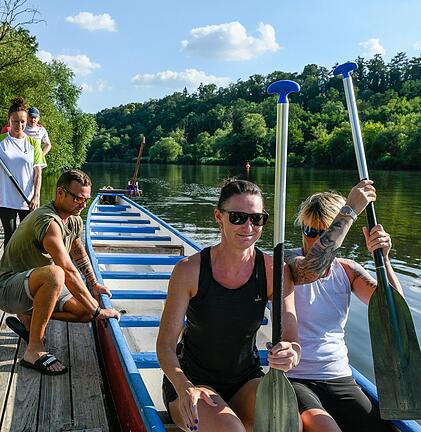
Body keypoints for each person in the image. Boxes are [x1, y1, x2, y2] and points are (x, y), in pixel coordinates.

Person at [157, 179, 301, 432]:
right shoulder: (189, 270)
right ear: (218, 217)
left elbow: (293, 338)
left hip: (246, 379)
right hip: (191, 380)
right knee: (232, 430)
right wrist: (184, 386)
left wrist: (292, 353)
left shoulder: (274, 272)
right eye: (237, 217)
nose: (248, 226)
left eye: (257, 219)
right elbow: (165, 345)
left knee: (290, 425)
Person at [0, 169, 120, 375]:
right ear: (60, 192)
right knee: (56, 274)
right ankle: (34, 350)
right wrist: (98, 311)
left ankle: (30, 315)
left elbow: (78, 252)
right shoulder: (47, 220)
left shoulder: (74, 219)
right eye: (77, 198)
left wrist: (93, 284)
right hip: (6, 289)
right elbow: (67, 269)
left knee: (84, 312)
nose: (83, 204)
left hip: (33, 286)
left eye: (86, 200)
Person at [284, 181, 390, 432]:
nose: (314, 240)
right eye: (309, 231)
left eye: (324, 232)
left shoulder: (348, 270)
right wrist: (350, 209)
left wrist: (383, 259)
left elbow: (391, 309)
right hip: (296, 377)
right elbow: (312, 269)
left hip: (339, 376)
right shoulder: (285, 261)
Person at [0, 97, 46, 247]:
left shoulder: (33, 143)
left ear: (26, 122)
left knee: (28, 238)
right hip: (5, 198)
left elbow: (38, 172)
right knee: (10, 236)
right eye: (15, 121)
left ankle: (26, 269)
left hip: (27, 198)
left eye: (22, 122)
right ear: (9, 121)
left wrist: (36, 196)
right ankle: (8, 270)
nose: (19, 125)